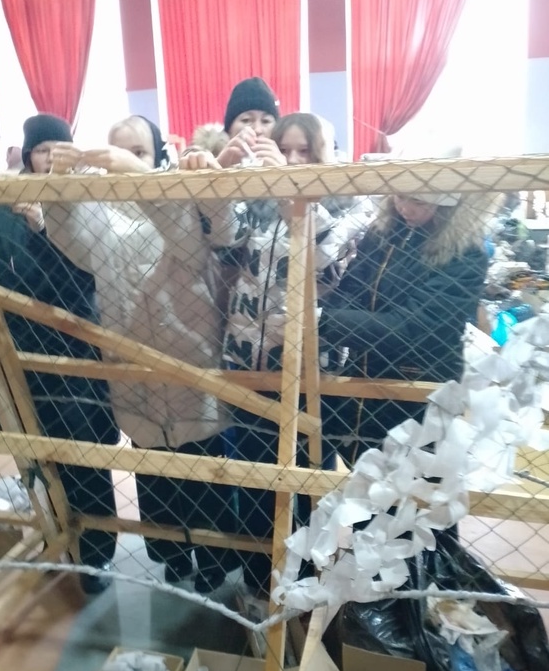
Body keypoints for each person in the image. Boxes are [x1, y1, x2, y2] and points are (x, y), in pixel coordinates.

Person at [46, 115, 240, 593]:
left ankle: (213, 560)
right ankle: (172, 553)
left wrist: (137, 173)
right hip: (132, 368)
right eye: (117, 150)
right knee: (154, 476)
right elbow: (70, 240)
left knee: (205, 472)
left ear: (157, 156)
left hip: (190, 364)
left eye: (139, 151)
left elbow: (185, 243)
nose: (123, 159)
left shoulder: (178, 197)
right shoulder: (101, 210)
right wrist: (58, 187)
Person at [182, 109, 363, 597]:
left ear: (324, 157)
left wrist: (293, 197)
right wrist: (221, 176)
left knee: (308, 480)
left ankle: (308, 579)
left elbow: (327, 265)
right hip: (249, 366)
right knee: (259, 479)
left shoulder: (346, 206)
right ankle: (263, 579)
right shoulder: (258, 203)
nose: (294, 159)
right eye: (285, 150)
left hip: (310, 374)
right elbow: (222, 237)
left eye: (306, 152)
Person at [0, 114, 119, 595]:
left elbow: (88, 278)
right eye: (41, 150)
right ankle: (59, 537)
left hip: (75, 346)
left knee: (85, 453)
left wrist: (44, 226)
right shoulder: (6, 200)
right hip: (20, 349)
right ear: (28, 155)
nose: (50, 157)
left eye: (59, 148)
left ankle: (96, 555)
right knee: (38, 453)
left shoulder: (84, 197)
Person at [319, 190, 497, 467]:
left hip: (418, 392)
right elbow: (351, 288)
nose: (405, 208)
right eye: (399, 197)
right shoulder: (382, 234)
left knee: (409, 481)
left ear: (445, 203)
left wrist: (326, 322)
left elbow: (416, 329)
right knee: (361, 473)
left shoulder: (465, 251)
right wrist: (331, 318)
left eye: (419, 201)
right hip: (362, 385)